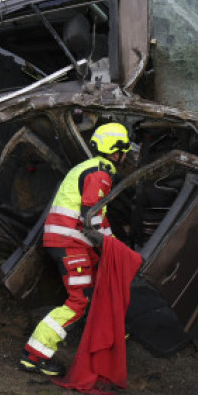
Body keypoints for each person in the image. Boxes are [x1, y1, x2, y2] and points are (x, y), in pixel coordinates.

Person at [19, 122, 132, 377]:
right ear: (116, 151)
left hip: (68, 241)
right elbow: (92, 216)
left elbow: (97, 218)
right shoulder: (100, 174)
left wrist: (110, 241)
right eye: (124, 149)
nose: (126, 155)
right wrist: (112, 245)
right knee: (78, 302)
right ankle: (34, 355)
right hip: (71, 243)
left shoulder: (88, 167)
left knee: (90, 293)